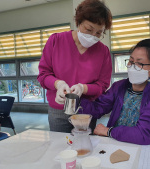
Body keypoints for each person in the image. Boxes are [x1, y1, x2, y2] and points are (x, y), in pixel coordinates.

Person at [37, 0, 112, 133]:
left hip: (86, 110)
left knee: (84, 149)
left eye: (99, 33)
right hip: (58, 110)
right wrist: (58, 84)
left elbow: (103, 85)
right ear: (78, 22)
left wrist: (83, 88)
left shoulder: (103, 51)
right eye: (88, 29)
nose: (92, 36)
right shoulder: (56, 41)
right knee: (59, 149)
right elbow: (43, 75)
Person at [80, 39, 150, 145]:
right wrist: (75, 99)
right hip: (116, 142)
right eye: (131, 61)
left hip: (142, 148)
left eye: (140, 63)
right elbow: (97, 108)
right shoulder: (119, 86)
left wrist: (108, 131)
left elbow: (144, 134)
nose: (132, 67)